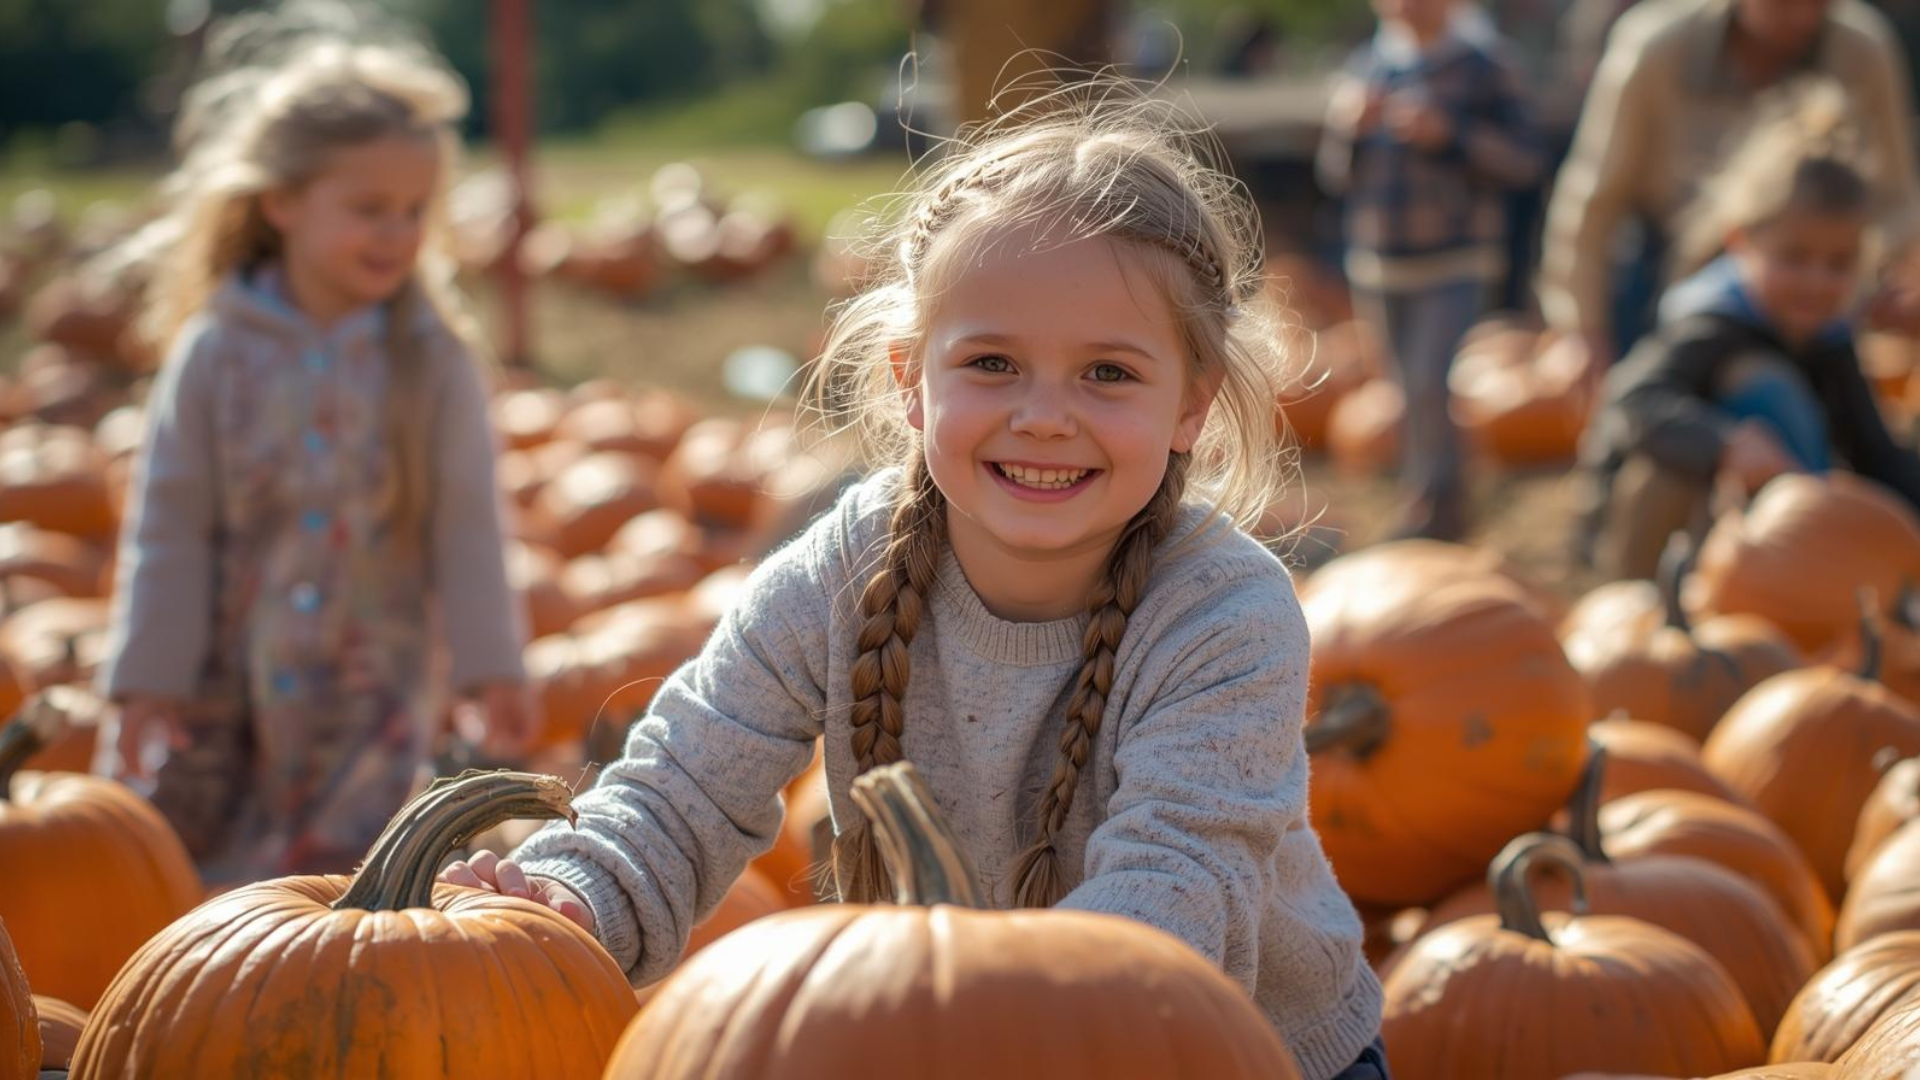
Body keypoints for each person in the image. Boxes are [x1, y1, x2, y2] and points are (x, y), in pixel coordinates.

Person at [442, 87, 1389, 1078]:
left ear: (1190, 403)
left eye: (1108, 374)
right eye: (991, 363)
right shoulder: (839, 573)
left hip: (1236, 1053)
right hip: (967, 1043)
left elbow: (1174, 896)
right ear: (910, 378)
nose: (1043, 416)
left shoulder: (1224, 615)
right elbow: (683, 789)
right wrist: (569, 903)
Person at [97, 6, 534, 884]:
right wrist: (149, 671)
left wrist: (493, 663)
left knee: (347, 878)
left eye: (415, 211)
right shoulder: (217, 348)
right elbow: (170, 522)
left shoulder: (430, 356)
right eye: (369, 208)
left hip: (372, 681)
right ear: (282, 200)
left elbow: (466, 525)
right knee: (201, 869)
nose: (397, 233)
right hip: (229, 671)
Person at [1579, 83, 1920, 579]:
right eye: (1794, 258)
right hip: (1673, 532)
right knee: (1763, 384)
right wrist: (1725, 443)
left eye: (1839, 264)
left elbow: (1876, 454)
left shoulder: (1830, 336)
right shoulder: (1710, 321)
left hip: (1777, 528)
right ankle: (1655, 600)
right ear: (1741, 243)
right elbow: (1632, 398)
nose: (1817, 282)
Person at [1539, 0, 1920, 363]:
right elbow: (1593, 200)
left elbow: (1897, 199)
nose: (1803, 17)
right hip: (1665, 273)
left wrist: (1848, 273)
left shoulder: (1862, 50)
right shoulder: (1657, 48)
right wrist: (1582, 328)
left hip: (1822, 311)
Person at [1317, 0, 1545, 540]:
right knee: (1403, 389)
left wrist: (1451, 135)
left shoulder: (1484, 66)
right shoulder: (1367, 66)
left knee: (1428, 383)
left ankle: (1437, 505)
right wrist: (1348, 129)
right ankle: (1431, 497)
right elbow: (1334, 176)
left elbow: (1524, 160)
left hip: (1454, 257)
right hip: (1380, 261)